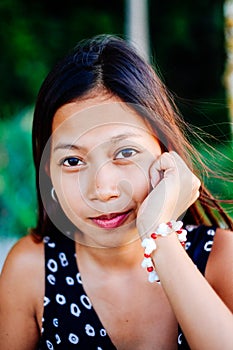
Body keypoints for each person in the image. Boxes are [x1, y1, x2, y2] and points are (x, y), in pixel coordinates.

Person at [0, 34, 233, 350]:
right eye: (72, 160)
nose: (104, 190)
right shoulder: (32, 270)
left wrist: (160, 238)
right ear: (48, 174)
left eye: (125, 153)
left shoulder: (221, 259)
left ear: (164, 153)